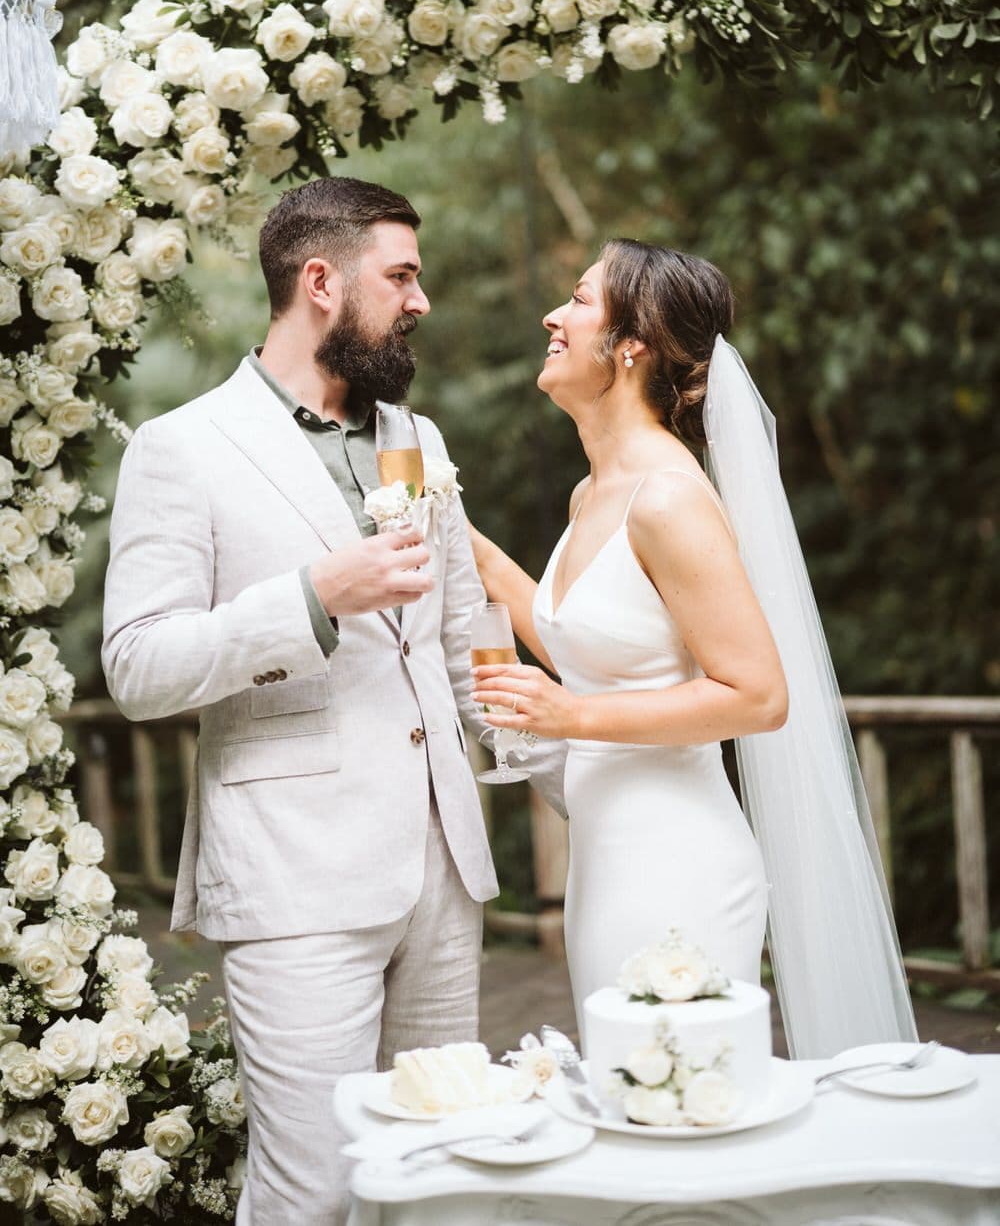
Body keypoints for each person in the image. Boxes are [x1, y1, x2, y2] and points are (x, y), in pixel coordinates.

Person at [101, 176, 564, 1226]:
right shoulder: (183, 448)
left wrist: (580, 777)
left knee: (442, 1171)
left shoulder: (421, 439)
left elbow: (455, 645)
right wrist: (312, 597)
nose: (420, 300)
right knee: (314, 1190)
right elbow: (136, 665)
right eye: (400, 275)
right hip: (293, 878)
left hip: (443, 874)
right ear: (320, 281)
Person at [471, 239, 917, 1057]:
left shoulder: (670, 497)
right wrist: (467, 545)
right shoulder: (591, 490)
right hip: (604, 863)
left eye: (577, 299)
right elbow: (592, 643)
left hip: (675, 868)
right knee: (630, 1101)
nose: (553, 316)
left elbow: (758, 695)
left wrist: (572, 714)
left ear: (631, 343)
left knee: (679, 1112)